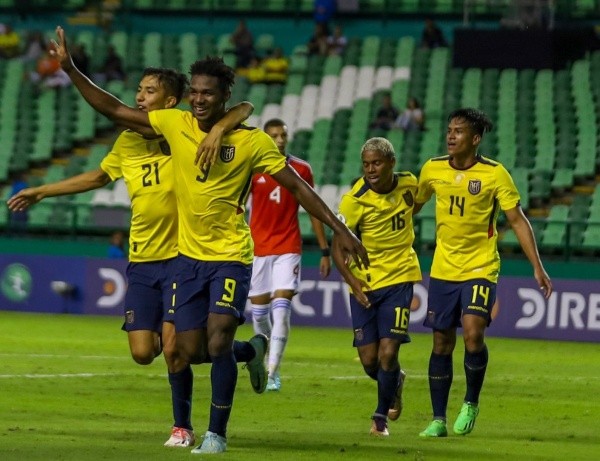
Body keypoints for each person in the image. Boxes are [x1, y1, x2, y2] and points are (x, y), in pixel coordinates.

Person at [49, 26, 368, 454]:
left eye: (208, 94)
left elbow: (297, 187)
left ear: (224, 97)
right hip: (187, 259)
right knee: (186, 351)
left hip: (231, 256)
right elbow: (116, 110)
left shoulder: (251, 141)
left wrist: (340, 230)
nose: (199, 100)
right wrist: (71, 69)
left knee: (217, 341)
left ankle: (216, 433)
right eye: (195, 92)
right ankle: (250, 352)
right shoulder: (175, 123)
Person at [7, 65, 262, 449]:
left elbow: (243, 107)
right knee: (144, 352)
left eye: (148, 91)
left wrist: (221, 125)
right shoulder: (128, 142)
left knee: (175, 350)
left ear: (171, 102)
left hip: (182, 257)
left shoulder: (185, 134)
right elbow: (97, 177)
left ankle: (182, 427)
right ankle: (246, 351)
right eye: (139, 90)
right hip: (142, 260)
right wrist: (42, 190)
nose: (139, 97)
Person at [414, 108, 552, 438]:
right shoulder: (432, 169)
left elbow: (517, 220)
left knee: (473, 333)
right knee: (441, 341)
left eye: (458, 131)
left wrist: (537, 266)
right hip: (443, 268)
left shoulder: (494, 174)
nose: (451, 136)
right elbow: (412, 206)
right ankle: (438, 419)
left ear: (475, 139)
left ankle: (470, 403)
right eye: (449, 130)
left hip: (481, 265)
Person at [332, 137, 421, 437]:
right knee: (370, 361)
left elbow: (415, 205)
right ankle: (395, 380)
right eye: (366, 164)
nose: (370, 169)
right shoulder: (354, 200)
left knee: (388, 353)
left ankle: (380, 419)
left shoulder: (409, 184)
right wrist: (353, 283)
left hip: (400, 278)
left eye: (377, 163)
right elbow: (337, 248)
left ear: (391, 163)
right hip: (365, 285)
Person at [248, 118, 331, 392]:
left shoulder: (301, 169)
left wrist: (324, 250)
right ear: (265, 139)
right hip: (258, 249)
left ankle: (272, 373)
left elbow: (314, 210)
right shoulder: (253, 168)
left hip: (288, 247)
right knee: (259, 316)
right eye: (274, 136)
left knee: (281, 312)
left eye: (283, 135)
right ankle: (264, 362)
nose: (280, 140)